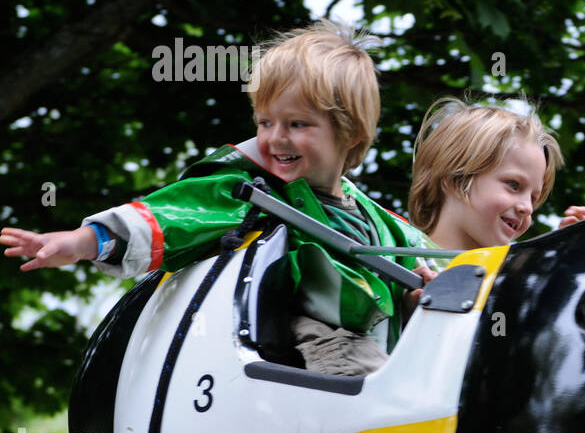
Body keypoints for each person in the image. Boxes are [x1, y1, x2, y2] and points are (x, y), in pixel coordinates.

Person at [1, 20, 429, 376]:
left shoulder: (384, 225)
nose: (276, 137)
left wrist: (422, 294)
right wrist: (79, 242)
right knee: (361, 371)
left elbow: (422, 273)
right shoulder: (248, 189)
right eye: (265, 121)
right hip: (314, 356)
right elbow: (173, 215)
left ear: (349, 133)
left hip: (387, 358)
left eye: (297, 124)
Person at [408, 97, 585, 252]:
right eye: (514, 185)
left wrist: (567, 260)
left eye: (533, 198)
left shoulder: (517, 280)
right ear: (455, 178)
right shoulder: (393, 259)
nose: (528, 208)